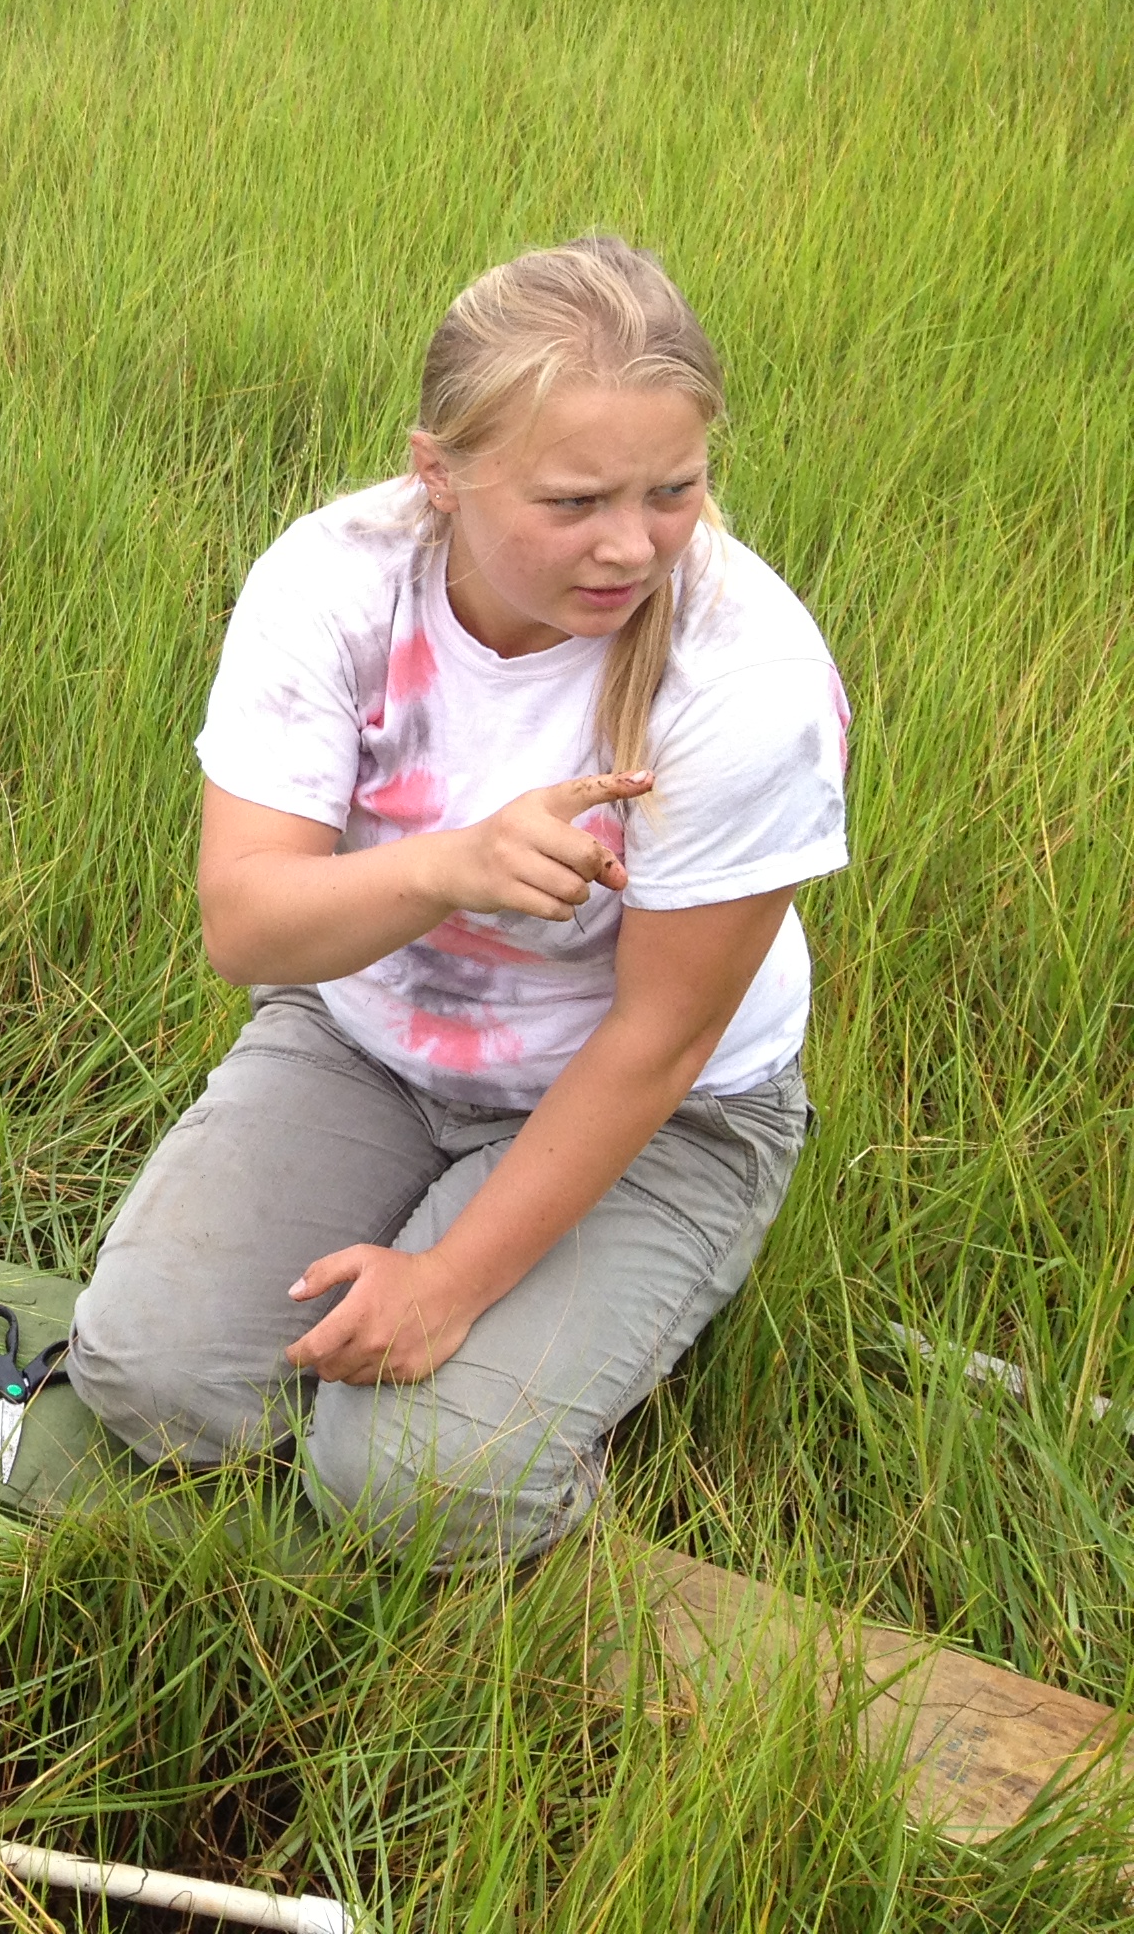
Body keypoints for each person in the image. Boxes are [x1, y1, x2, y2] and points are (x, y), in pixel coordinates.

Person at [64, 236, 849, 1561]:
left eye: (676, 490)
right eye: (575, 500)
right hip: (365, 1047)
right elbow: (246, 925)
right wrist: (452, 866)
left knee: (414, 1490)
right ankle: (438, 1319)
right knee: (155, 1382)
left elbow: (662, 1038)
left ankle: (558, 1356)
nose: (632, 545)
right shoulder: (337, 584)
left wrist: (448, 1285)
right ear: (441, 472)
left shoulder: (746, 679)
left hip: (666, 1112)